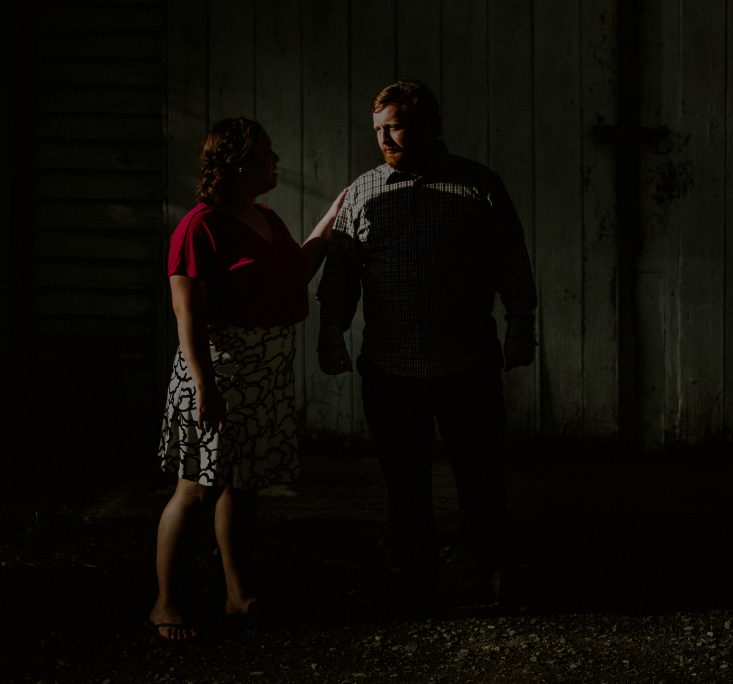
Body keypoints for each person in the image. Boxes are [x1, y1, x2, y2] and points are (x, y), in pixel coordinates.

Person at [316, 81, 537, 611]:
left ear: (429, 125)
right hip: (391, 367)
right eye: (378, 130)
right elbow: (341, 272)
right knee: (404, 483)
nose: (385, 138)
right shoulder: (365, 191)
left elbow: (511, 259)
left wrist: (520, 324)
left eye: (394, 126)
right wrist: (330, 333)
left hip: (466, 361)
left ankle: (491, 574)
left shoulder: (478, 186)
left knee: (480, 475)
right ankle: (417, 582)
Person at [148, 117, 346, 640]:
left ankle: (237, 594)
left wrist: (330, 223)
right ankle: (166, 602)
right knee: (195, 489)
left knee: (244, 486)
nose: (275, 159)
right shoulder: (200, 225)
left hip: (265, 374)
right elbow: (185, 314)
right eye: (264, 152)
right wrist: (205, 387)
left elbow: (295, 271)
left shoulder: (267, 219)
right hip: (220, 373)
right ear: (236, 163)